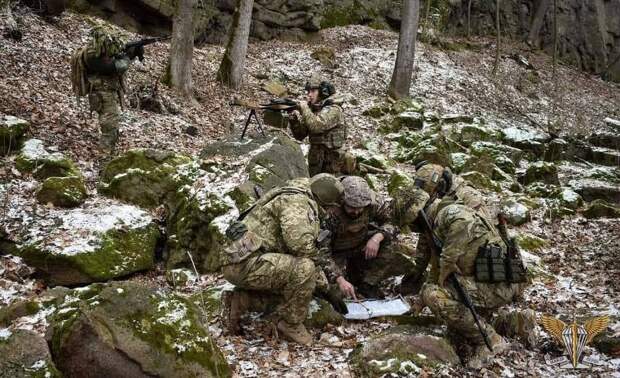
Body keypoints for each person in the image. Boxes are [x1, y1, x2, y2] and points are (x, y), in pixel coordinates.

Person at [392, 186, 534, 367]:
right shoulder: (437, 224)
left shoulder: (449, 213)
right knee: (452, 325)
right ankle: (510, 323)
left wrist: (448, 259)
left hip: (494, 285)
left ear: (416, 216)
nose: (413, 230)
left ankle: (490, 340)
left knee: (434, 296)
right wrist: (420, 302)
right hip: (493, 284)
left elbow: (463, 224)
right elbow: (436, 271)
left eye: (411, 225)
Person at [219, 174, 356, 345]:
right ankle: (290, 325)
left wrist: (325, 288)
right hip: (245, 265)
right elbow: (301, 246)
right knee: (305, 269)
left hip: (248, 261)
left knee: (299, 287)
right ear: (326, 202)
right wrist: (327, 289)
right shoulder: (297, 203)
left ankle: (243, 302)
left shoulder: (296, 194)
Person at [399, 162, 495, 294]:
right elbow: (428, 231)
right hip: (453, 248)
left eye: (431, 193)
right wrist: (417, 269)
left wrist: (445, 264)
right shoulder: (437, 195)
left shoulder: (469, 198)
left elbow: (480, 236)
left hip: (476, 257)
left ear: (441, 185)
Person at [324, 176, 408, 297]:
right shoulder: (330, 210)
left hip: (360, 245)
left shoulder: (373, 202)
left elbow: (393, 221)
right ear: (343, 201)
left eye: (360, 208)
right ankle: (350, 275)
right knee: (337, 294)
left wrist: (377, 237)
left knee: (390, 241)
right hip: (335, 253)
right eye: (352, 207)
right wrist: (339, 279)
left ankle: (368, 283)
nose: (356, 212)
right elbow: (322, 251)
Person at [70, 26, 142, 155]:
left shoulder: (100, 53)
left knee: (112, 125)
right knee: (109, 125)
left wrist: (131, 53)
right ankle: (104, 154)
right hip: (102, 93)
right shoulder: (92, 56)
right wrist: (128, 57)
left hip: (107, 92)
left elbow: (115, 60)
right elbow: (116, 67)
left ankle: (108, 152)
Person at [289, 75, 355, 176]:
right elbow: (300, 135)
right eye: (308, 92)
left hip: (333, 165)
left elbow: (317, 126)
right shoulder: (314, 110)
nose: (309, 95)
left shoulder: (334, 109)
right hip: (316, 163)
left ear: (323, 92)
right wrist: (294, 120)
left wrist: (304, 108)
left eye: (313, 91)